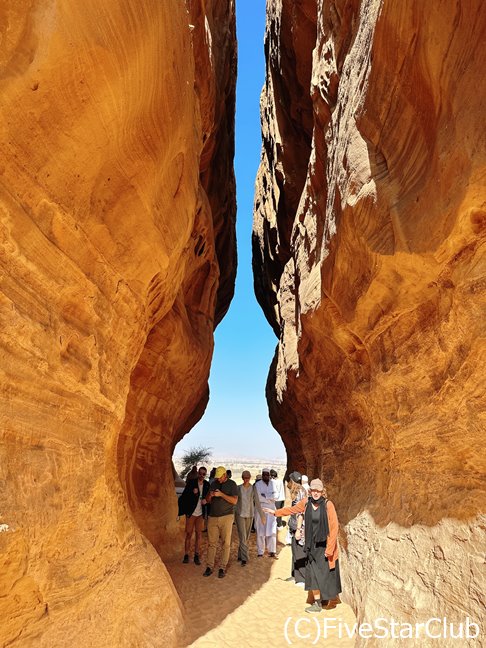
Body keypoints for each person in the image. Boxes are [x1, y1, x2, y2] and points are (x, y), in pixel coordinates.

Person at [263, 478, 341, 612]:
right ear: (310, 491)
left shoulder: (328, 505)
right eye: (313, 490)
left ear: (322, 491)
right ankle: (317, 603)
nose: (316, 493)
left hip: (324, 546)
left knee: (325, 574)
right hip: (311, 546)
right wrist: (275, 512)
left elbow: (334, 528)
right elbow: (292, 510)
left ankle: (325, 599)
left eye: (318, 490)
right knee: (313, 576)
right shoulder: (306, 503)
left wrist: (329, 549)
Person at [203, 466, 238, 578]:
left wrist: (221, 494)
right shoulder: (213, 484)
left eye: (220, 477)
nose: (218, 479)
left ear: (225, 475)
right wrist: (211, 495)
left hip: (226, 517)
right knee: (212, 543)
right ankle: (209, 566)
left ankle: (222, 567)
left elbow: (234, 501)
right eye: (217, 477)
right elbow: (207, 500)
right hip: (213, 517)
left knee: (226, 543)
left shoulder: (232, 484)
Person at [178, 466, 210, 565]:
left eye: (203, 474)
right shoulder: (191, 483)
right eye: (200, 473)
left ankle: (196, 555)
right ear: (198, 474)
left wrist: (206, 502)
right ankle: (186, 554)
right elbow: (184, 497)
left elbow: (209, 498)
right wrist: (193, 494)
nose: (201, 476)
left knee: (199, 534)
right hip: (191, 513)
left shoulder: (207, 485)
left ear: (205, 475)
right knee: (188, 534)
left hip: (200, 514)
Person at [235, 471, 265, 566]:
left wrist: (262, 515)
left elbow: (257, 502)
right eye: (244, 477)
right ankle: (245, 558)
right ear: (242, 477)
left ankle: (240, 555)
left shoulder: (253, 488)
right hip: (240, 515)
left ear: (250, 477)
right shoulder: (238, 488)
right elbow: (235, 502)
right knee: (243, 536)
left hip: (250, 515)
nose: (246, 479)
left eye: (247, 477)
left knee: (245, 537)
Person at [285, 471, 307, 586]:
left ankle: (302, 578)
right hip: (294, 526)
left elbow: (300, 512)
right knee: (294, 550)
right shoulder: (297, 491)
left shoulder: (301, 492)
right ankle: (295, 575)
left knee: (299, 551)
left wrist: (299, 528)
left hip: (300, 527)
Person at [254, 468, 278, 558]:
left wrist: (266, 496)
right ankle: (260, 551)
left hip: (271, 510)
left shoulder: (273, 484)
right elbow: (259, 498)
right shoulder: (258, 484)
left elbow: (276, 496)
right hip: (261, 509)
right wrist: (269, 498)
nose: (265, 476)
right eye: (263, 474)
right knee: (260, 531)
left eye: (267, 475)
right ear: (262, 475)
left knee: (272, 530)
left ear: (269, 475)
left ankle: (272, 551)